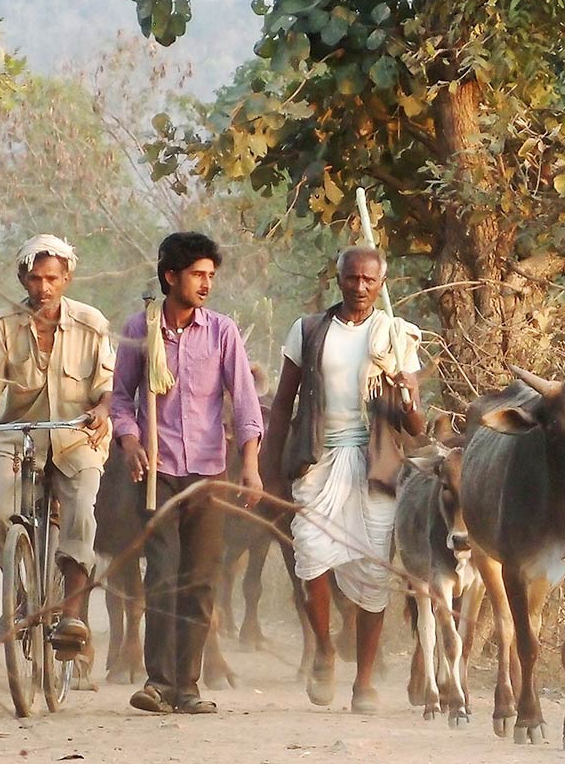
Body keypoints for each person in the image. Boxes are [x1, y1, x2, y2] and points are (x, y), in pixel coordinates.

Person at [110, 232, 264, 715]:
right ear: (170, 276)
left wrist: (252, 467)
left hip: (208, 472)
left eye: (211, 276)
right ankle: (158, 682)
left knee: (200, 579)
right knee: (161, 574)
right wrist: (130, 440)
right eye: (198, 275)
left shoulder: (222, 332)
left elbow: (245, 402)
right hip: (158, 470)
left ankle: (188, 686)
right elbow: (120, 398)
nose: (206, 284)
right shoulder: (141, 329)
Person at [267, 245, 424, 711]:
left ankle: (365, 681)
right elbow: (282, 404)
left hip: (373, 465)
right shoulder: (309, 330)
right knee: (311, 558)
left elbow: (415, 427)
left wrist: (405, 394)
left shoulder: (394, 336)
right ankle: (324, 648)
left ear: (381, 285)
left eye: (368, 281)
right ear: (339, 279)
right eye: (352, 278)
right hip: (317, 460)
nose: (359, 287)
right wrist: (269, 472)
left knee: (374, 571)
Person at [0, 233, 114, 663]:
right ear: (22, 278)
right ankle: (18, 592)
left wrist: (103, 410)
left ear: (67, 278)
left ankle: (71, 615)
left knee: (82, 512)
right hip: (20, 434)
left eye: (52, 278)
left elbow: (107, 387)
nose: (43, 287)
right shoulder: (3, 325)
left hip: (77, 436)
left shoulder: (92, 323)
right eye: (35, 278)